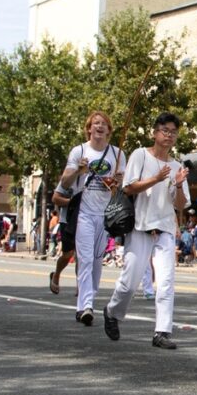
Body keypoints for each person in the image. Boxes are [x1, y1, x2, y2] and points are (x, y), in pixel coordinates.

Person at [103, 112, 190, 349]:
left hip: (164, 229)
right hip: (140, 227)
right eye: (165, 130)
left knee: (165, 283)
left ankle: (162, 331)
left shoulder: (177, 166)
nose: (169, 136)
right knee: (129, 283)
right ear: (155, 132)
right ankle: (112, 311)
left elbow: (180, 204)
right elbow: (129, 188)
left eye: (173, 132)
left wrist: (179, 184)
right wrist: (156, 178)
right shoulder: (140, 155)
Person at [59, 110, 125, 326]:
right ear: (89, 128)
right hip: (84, 214)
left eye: (103, 124)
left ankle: (89, 299)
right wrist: (78, 170)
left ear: (109, 130)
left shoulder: (117, 154)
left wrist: (116, 181)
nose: (99, 127)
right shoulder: (79, 151)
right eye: (95, 123)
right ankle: (85, 306)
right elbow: (65, 183)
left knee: (97, 260)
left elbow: (122, 185)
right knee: (85, 259)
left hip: (105, 215)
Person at [48, 181, 77, 294]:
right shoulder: (68, 179)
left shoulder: (93, 178)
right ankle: (56, 274)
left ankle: (80, 285)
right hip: (67, 221)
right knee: (68, 255)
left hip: (85, 221)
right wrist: (72, 202)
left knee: (82, 255)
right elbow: (55, 199)